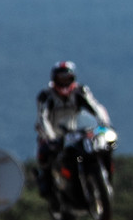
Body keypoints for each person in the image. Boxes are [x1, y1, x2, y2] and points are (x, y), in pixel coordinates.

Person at [35, 61, 110, 208]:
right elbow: (42, 118)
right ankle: (49, 187)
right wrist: (50, 137)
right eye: (61, 79)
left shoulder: (80, 91)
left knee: (103, 147)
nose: (64, 82)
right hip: (52, 136)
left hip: (75, 133)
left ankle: (103, 179)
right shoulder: (46, 96)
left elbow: (95, 107)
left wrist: (104, 124)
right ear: (54, 79)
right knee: (46, 155)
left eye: (67, 78)